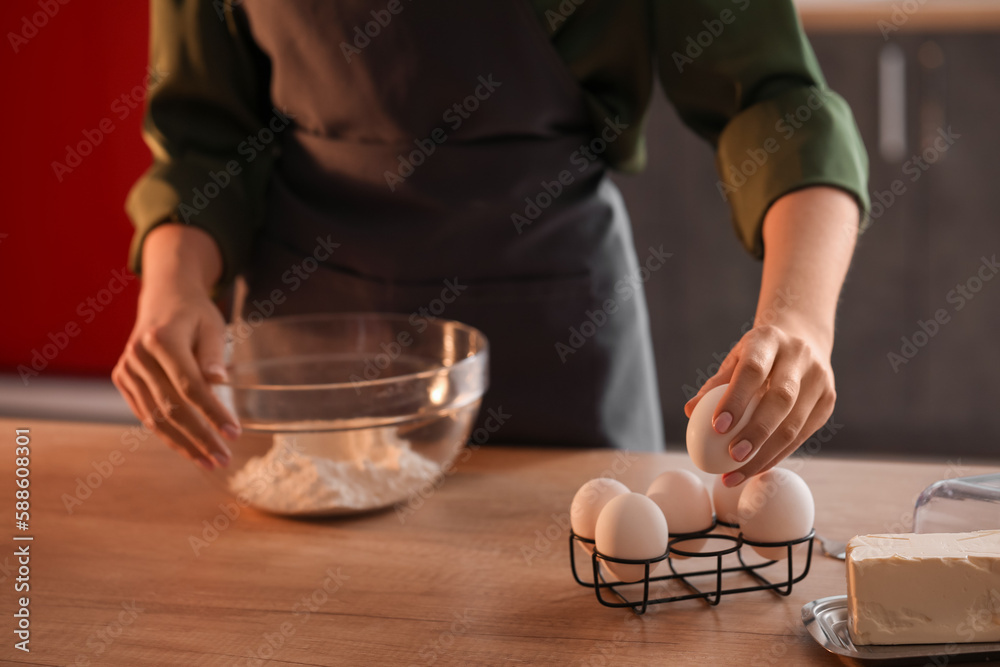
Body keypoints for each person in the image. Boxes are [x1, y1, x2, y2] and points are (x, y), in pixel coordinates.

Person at [113, 0, 868, 490]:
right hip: (314, 348)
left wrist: (799, 320)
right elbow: (202, 135)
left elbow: (778, 104)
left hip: (558, 335)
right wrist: (172, 290)